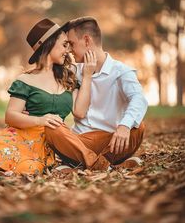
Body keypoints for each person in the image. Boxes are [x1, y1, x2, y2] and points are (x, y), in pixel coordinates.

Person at [0, 18, 97, 175]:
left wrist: (87, 76)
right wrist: (39, 120)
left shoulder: (68, 79)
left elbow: (79, 112)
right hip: (19, 138)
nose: (67, 50)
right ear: (49, 45)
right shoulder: (25, 80)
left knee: (29, 169)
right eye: (64, 45)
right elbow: (10, 116)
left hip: (47, 144)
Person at [45, 16, 148, 171]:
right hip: (80, 142)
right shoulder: (73, 71)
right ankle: (104, 165)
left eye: (71, 44)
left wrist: (124, 126)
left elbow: (139, 98)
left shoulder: (121, 71)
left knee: (137, 127)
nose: (69, 50)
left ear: (87, 41)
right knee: (51, 128)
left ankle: (81, 164)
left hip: (113, 142)